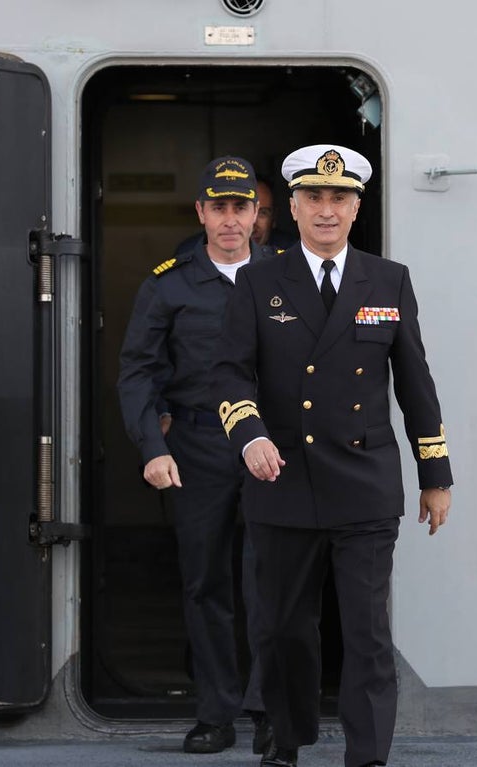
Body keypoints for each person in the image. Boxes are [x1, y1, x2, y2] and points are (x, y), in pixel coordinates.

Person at [209, 144, 453, 767]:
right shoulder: (259, 281)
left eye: (339, 198)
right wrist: (250, 435)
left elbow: (416, 384)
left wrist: (435, 475)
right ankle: (285, 740)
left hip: (364, 483)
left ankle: (368, 756)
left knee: (367, 633)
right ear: (291, 207)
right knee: (283, 629)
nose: (326, 209)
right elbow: (230, 373)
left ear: (356, 208)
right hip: (282, 480)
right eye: (313, 197)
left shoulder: (388, 280)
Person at [118, 156, 274, 756]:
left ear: (257, 214)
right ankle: (216, 713)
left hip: (270, 448)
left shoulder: (287, 276)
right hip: (197, 446)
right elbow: (138, 371)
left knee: (270, 581)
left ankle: (269, 709)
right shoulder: (168, 284)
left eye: (242, 207)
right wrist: (152, 447)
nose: (231, 219)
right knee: (205, 582)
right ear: (201, 213)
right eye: (219, 208)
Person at [175, 176, 296, 255]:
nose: (252, 224)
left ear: (274, 218)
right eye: (241, 210)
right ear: (201, 212)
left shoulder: (292, 252)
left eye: (262, 213)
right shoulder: (189, 251)